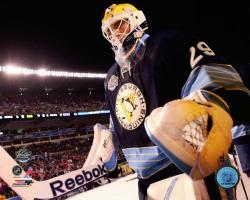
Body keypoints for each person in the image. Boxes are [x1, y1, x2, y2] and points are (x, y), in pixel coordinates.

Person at [100, 2, 250, 200]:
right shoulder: (111, 76)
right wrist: (110, 139)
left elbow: (220, 79)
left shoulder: (167, 44)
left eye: (119, 24)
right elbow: (118, 117)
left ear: (136, 20)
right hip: (146, 180)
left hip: (189, 166)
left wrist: (209, 104)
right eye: (109, 30)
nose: (115, 33)